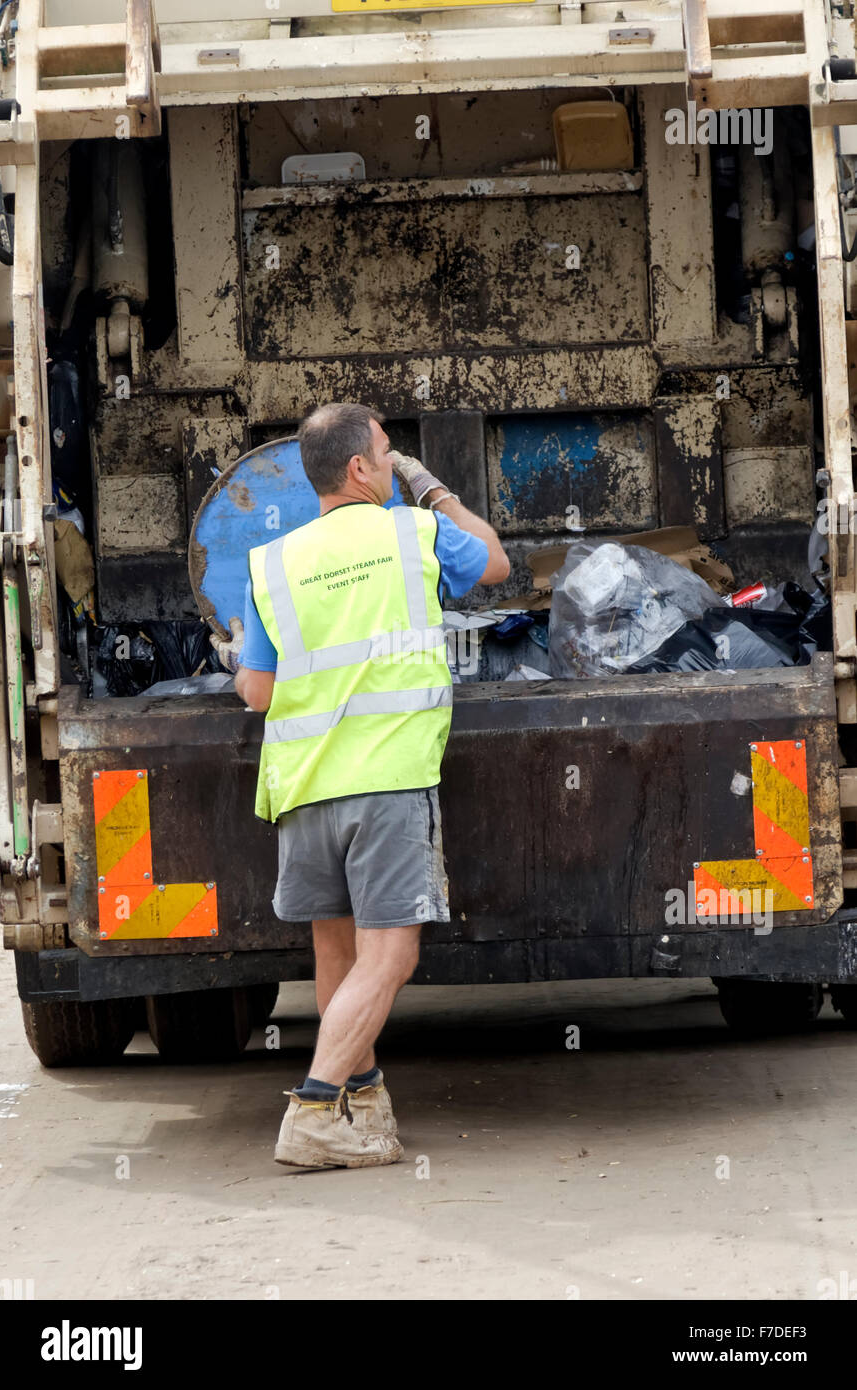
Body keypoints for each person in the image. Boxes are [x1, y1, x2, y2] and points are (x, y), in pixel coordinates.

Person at [212, 403, 509, 1168]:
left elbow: (258, 691)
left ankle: (361, 1096)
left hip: (305, 784)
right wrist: (432, 487)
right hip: (386, 776)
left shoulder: (272, 563)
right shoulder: (415, 532)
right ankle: (314, 1110)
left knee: (337, 951)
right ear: (359, 470)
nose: (392, 459)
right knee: (392, 959)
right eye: (387, 451)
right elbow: (498, 563)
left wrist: (237, 657)